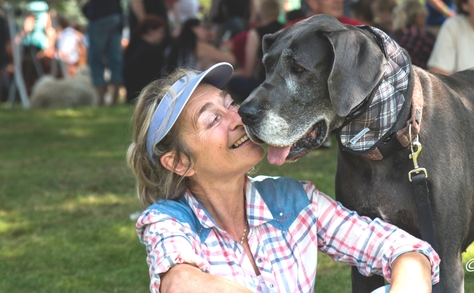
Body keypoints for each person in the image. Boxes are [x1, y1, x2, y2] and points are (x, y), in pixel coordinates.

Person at [128, 63, 440, 293]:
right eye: (213, 120)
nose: (239, 118)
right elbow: (181, 284)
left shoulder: (294, 201)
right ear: (180, 163)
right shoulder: (168, 222)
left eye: (230, 104)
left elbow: (406, 250)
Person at [228, 0, 284, 101]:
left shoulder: (255, 34)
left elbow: (247, 73)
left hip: (267, 89)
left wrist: (229, 75)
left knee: (234, 82)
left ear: (260, 13)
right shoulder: (286, 28)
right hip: (285, 87)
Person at [123, 15, 166, 103]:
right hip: (146, 97)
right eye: (160, 32)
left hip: (133, 96)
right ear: (150, 31)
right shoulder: (152, 52)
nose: (162, 36)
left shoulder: (134, 48)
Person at [167, 17, 236, 72]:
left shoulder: (177, 45)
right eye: (204, 27)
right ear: (194, 29)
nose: (207, 31)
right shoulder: (199, 46)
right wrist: (227, 48)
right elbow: (231, 60)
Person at [392, 0, 436, 69]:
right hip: (422, 77)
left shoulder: (394, 36)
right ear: (418, 17)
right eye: (424, 16)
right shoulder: (425, 36)